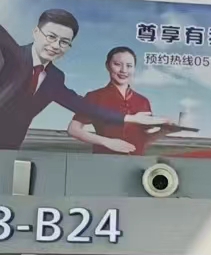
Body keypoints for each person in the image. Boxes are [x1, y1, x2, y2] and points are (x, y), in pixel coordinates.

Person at [0, 9, 177, 150]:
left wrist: (131, 119)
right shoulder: (11, 56)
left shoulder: (54, 77)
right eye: (51, 37)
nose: (55, 46)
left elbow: (83, 106)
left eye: (64, 42)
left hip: (10, 149)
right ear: (36, 32)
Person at [68, 46, 167, 154]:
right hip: (104, 159)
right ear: (107, 66)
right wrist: (107, 142)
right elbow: (73, 129)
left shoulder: (143, 101)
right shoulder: (95, 97)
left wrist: (163, 132)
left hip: (136, 161)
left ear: (134, 68)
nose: (124, 70)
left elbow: (142, 141)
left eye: (129, 66)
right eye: (117, 64)